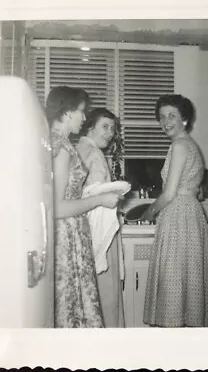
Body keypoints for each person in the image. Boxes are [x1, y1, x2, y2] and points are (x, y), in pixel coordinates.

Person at [46, 86, 123, 328]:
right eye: (81, 112)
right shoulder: (61, 147)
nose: (83, 117)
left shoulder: (54, 142)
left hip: (68, 234)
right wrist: (100, 199)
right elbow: (56, 207)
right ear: (67, 112)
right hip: (67, 236)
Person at [141, 94, 208, 327]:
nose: (166, 121)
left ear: (184, 118)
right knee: (188, 283)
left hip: (179, 217)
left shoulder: (180, 145)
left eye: (172, 115)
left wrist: (149, 212)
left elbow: (170, 193)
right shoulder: (190, 145)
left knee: (174, 282)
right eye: (162, 117)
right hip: (190, 215)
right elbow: (198, 192)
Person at [76, 107, 125, 328]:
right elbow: (94, 193)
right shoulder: (94, 153)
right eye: (104, 127)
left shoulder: (81, 148)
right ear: (90, 127)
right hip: (99, 230)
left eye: (112, 129)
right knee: (106, 293)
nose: (110, 133)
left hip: (83, 228)